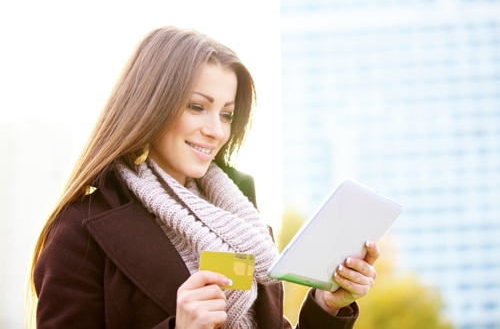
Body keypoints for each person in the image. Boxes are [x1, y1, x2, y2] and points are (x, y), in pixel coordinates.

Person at [29, 26, 380, 329]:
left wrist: (327, 305)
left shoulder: (242, 221)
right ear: (152, 104)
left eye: (227, 114)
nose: (216, 131)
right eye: (197, 107)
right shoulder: (80, 230)